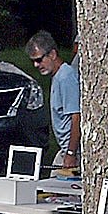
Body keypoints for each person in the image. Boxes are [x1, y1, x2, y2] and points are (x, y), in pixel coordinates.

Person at [30, 31, 79, 176]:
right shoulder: (57, 76)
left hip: (74, 152)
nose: (36, 65)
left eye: (39, 60)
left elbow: (77, 117)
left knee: (57, 191)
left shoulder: (66, 77)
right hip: (65, 150)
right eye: (33, 61)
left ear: (52, 54)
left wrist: (71, 153)